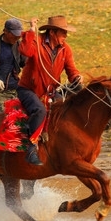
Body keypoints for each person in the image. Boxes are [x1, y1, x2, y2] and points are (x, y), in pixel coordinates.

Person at [17, 15, 83, 165]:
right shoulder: (37, 42)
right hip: (28, 90)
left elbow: (71, 70)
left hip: (50, 92)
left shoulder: (66, 49)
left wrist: (77, 77)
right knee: (39, 110)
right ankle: (31, 148)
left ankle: (60, 146)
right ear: (52, 32)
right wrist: (31, 30)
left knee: (65, 111)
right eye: (63, 32)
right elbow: (25, 51)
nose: (65, 36)